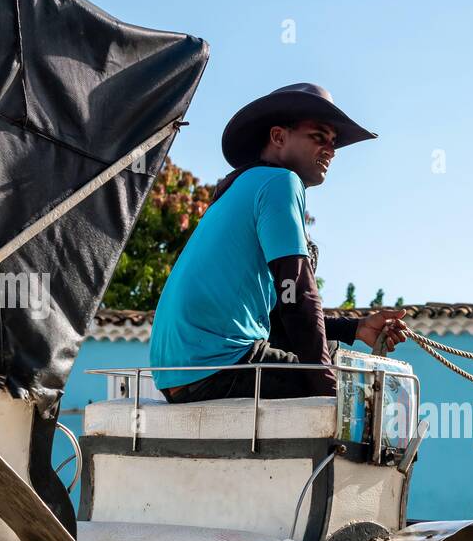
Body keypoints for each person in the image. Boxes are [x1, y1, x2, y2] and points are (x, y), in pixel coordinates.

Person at [149, 83, 406, 403]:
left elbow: (281, 308)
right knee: (359, 398)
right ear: (279, 137)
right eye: (319, 136)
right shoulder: (280, 182)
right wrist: (326, 390)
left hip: (181, 376)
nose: (330, 149)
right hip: (221, 368)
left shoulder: (242, 186)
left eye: (333, 142)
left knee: (329, 364)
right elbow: (296, 292)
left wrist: (355, 329)